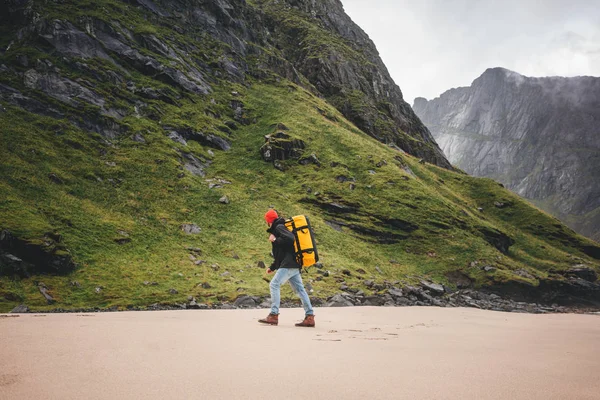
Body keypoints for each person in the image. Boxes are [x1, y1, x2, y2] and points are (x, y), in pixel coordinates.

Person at [258, 209, 315, 327]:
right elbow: (282, 252)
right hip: (294, 264)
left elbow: (290, 239)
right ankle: (309, 317)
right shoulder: (280, 227)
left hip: (289, 264)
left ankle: (273, 315)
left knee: (274, 284)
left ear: (268, 221)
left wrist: (274, 240)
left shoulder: (279, 227)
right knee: (300, 290)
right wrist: (273, 267)